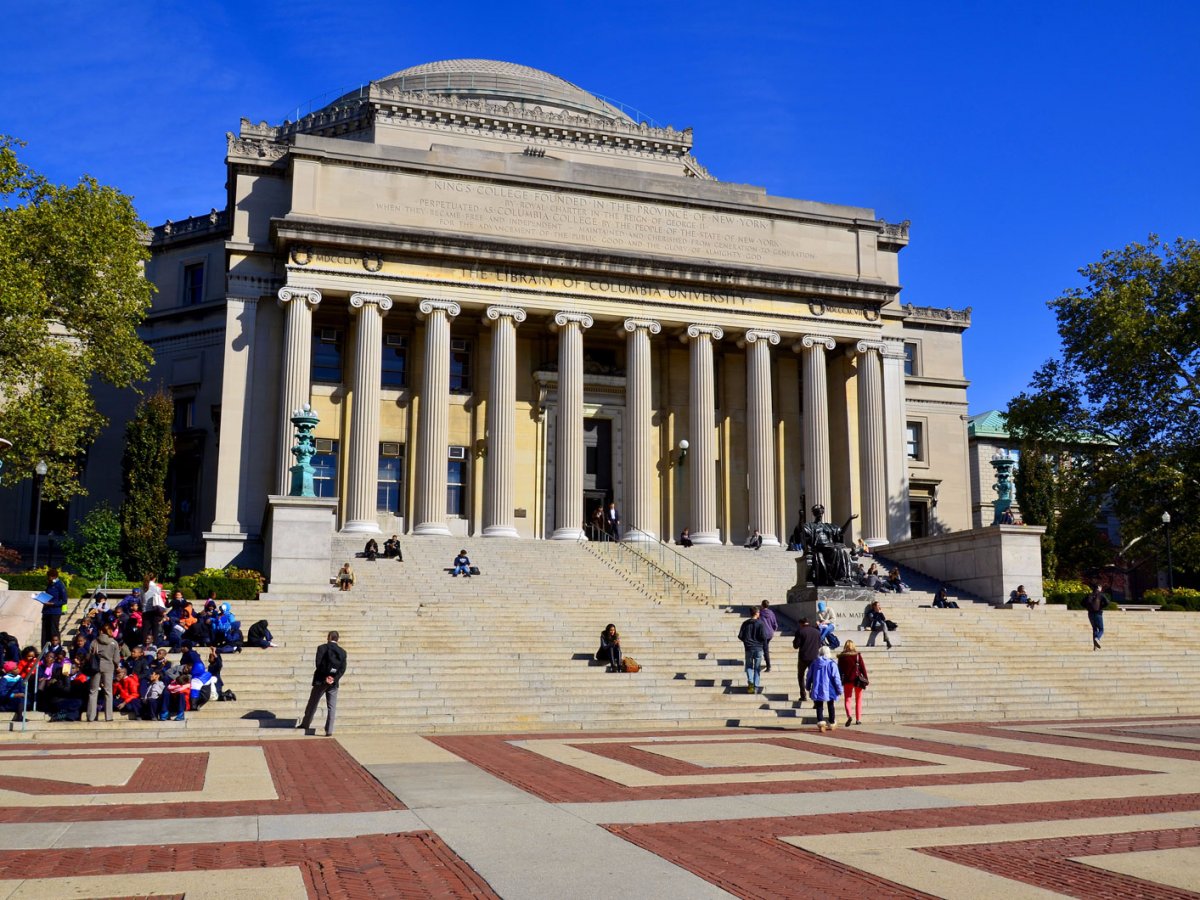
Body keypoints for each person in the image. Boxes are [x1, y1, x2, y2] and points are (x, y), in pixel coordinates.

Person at [297, 630, 347, 736]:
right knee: (332, 707)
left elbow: (318, 665)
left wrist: (325, 677)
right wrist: (333, 678)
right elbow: (342, 669)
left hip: (320, 681)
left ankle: (306, 724)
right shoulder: (343, 652)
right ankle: (329, 730)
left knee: (313, 704)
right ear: (337, 639)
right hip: (334, 683)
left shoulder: (322, 648)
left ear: (328, 637)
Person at [799, 505, 859, 586]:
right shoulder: (810, 525)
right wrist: (801, 518)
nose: (819, 515)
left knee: (842, 551)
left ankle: (843, 578)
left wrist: (849, 519)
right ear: (814, 514)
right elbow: (801, 531)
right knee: (835, 550)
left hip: (830, 546)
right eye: (817, 513)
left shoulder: (828, 526)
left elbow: (841, 532)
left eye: (821, 513)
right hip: (819, 548)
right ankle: (834, 577)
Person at [86, 621, 120, 723]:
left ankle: (91, 716)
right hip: (109, 667)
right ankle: (108, 716)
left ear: (101, 631)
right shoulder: (114, 642)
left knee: (93, 691)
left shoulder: (95, 642)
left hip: (95, 667)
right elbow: (116, 659)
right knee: (108, 692)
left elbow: (89, 655)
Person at [806, 646, 843, 732]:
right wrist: (839, 689)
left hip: (817, 687)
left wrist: (808, 686)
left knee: (819, 705)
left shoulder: (814, 663)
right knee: (831, 705)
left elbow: (809, 676)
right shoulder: (832, 664)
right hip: (829, 687)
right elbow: (836, 678)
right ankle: (832, 722)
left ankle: (821, 722)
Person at [837, 640, 868, 726]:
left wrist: (838, 680)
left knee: (848, 699)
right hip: (858, 680)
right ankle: (858, 719)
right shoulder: (857, 656)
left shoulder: (841, 657)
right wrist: (866, 678)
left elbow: (839, 670)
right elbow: (863, 668)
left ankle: (849, 716)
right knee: (858, 700)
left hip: (847, 680)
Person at [791, 616, 822, 701]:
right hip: (814, 658)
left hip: (803, 658)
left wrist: (795, 641)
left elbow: (796, 646)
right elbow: (820, 645)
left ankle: (803, 695)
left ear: (801, 623)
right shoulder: (817, 632)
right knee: (814, 677)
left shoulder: (800, 631)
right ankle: (815, 698)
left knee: (801, 675)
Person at [738, 608, 767, 694]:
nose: (759, 614)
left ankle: (750, 682)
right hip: (758, 648)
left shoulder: (745, 623)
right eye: (759, 612)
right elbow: (764, 637)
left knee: (749, 667)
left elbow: (740, 636)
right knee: (757, 668)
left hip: (749, 648)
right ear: (757, 613)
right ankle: (756, 686)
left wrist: (746, 642)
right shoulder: (760, 623)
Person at [41, 568, 68, 650]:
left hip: (55, 612)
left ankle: (56, 648)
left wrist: (53, 603)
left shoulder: (60, 585)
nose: (48, 578)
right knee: (45, 632)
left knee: (54, 631)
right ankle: (45, 650)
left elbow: (64, 600)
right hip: (46, 611)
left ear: (54, 577)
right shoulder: (49, 584)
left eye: (49, 577)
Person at [1084, 585, 1108, 650]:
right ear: (1098, 588)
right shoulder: (1101, 595)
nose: (1101, 588)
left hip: (1090, 614)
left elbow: (1082, 602)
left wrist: (1088, 608)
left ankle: (1095, 646)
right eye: (1100, 587)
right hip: (1098, 613)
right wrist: (1101, 606)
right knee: (1101, 629)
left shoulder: (1089, 595)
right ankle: (1097, 638)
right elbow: (1107, 602)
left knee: (1094, 628)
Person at [758, 600, 778, 673]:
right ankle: (766, 660)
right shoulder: (771, 613)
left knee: (765, 650)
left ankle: (768, 666)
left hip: (763, 633)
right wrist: (773, 630)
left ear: (762, 605)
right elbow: (775, 624)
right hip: (770, 633)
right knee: (765, 647)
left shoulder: (760, 613)